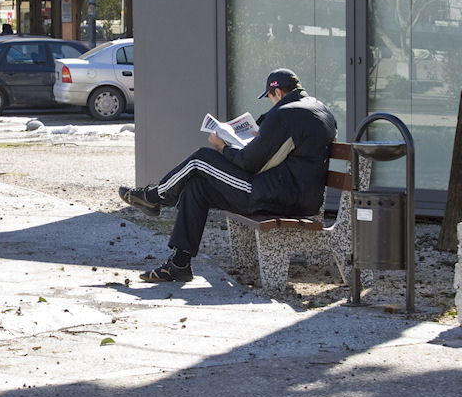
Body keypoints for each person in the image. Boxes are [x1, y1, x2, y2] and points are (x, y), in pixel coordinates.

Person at [119, 68, 337, 282]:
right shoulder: (318, 109)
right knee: (197, 185)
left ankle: (154, 196)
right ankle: (179, 264)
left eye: (270, 98)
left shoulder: (285, 114)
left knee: (201, 158)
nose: (271, 103)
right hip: (294, 195)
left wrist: (223, 146)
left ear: (277, 93)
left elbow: (249, 163)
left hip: (277, 196)